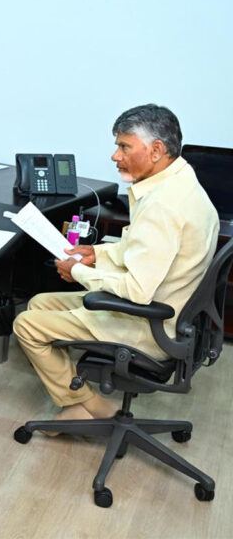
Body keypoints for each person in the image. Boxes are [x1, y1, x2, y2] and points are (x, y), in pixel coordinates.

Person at [13, 104, 219, 425]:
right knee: (40, 302)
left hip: (147, 323)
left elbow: (137, 290)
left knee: (26, 325)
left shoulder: (163, 206)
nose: (115, 155)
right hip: (173, 314)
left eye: (124, 146)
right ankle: (78, 391)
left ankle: (92, 406)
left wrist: (79, 272)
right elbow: (141, 247)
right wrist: (96, 254)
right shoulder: (181, 183)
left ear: (156, 150)